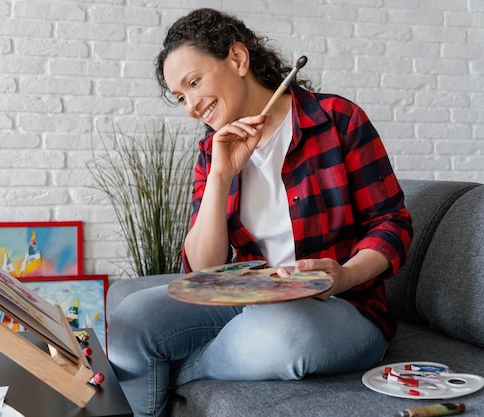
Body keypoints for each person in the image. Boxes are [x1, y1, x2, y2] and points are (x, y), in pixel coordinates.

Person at [107, 8, 413, 417]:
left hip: (341, 306)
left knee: (281, 335)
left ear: (237, 59)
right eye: (180, 97)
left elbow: (391, 223)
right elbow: (203, 269)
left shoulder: (338, 120)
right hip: (249, 297)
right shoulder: (211, 152)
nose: (190, 107)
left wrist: (344, 276)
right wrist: (220, 176)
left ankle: (175, 376)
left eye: (194, 83)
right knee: (132, 317)